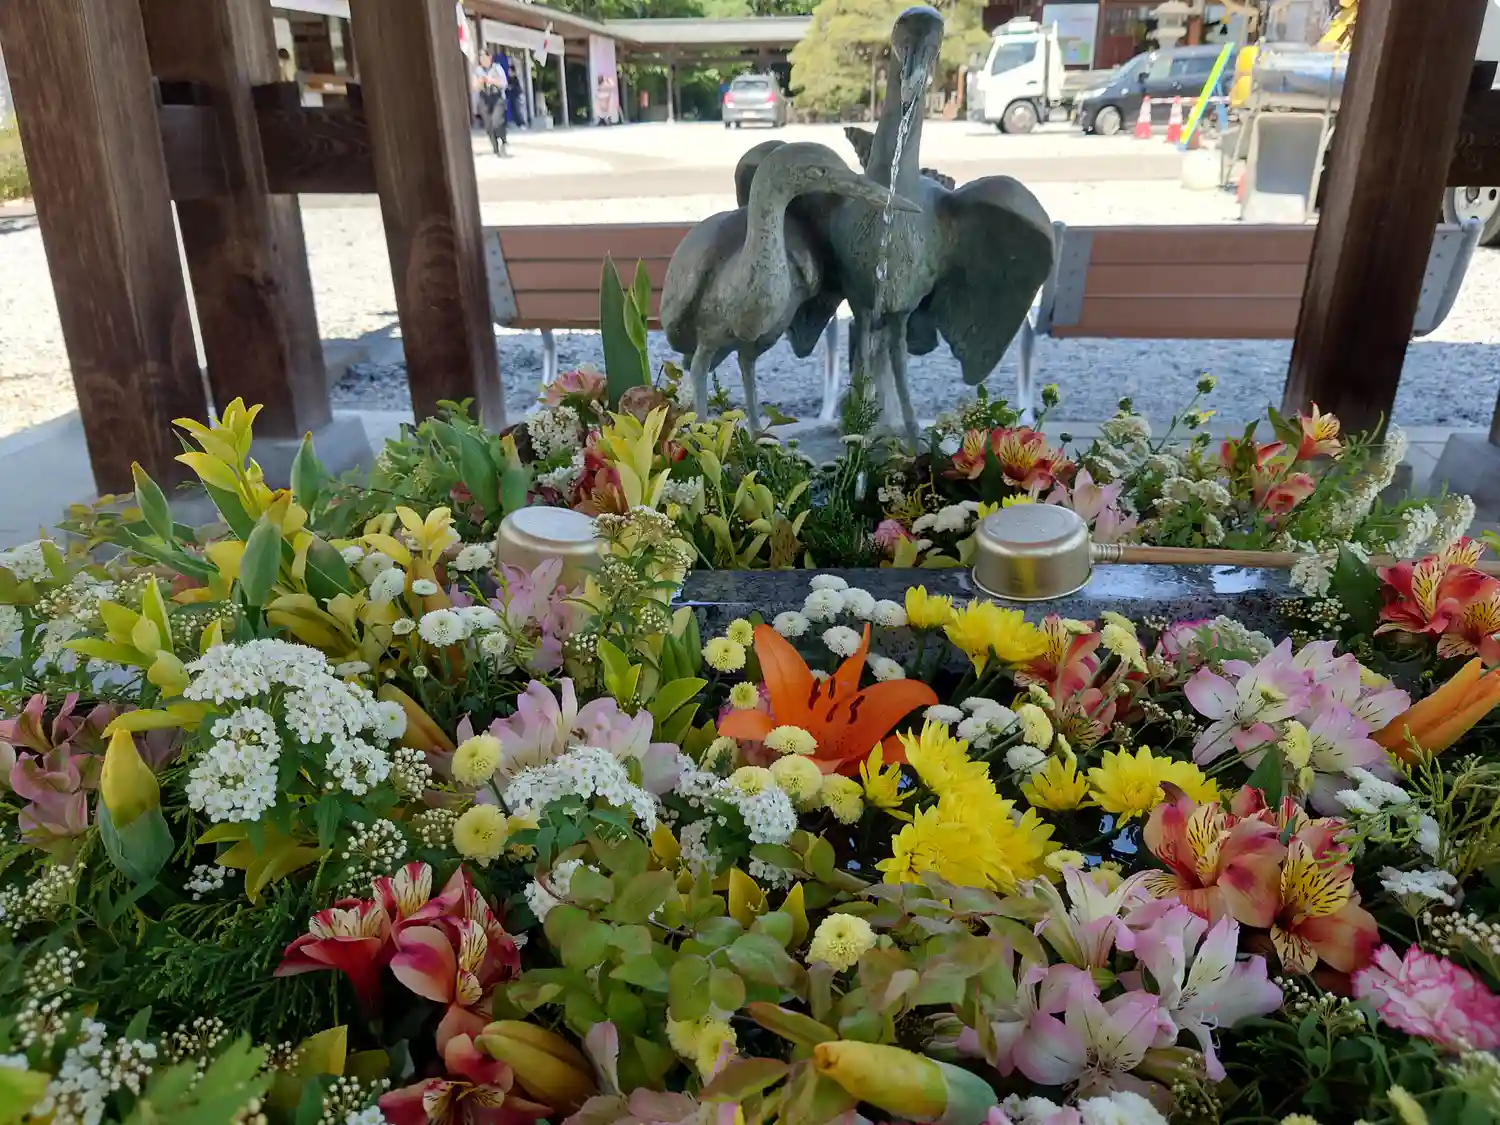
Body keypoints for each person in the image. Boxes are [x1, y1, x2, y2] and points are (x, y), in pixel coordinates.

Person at [473, 50, 509, 156]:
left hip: (497, 98)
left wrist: (492, 80)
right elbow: (474, 87)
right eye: (480, 57)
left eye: (484, 57)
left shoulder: (497, 68)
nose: (482, 60)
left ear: (490, 57)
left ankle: (503, 140)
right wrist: (479, 82)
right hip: (484, 98)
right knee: (488, 125)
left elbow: (504, 83)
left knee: (496, 122)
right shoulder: (478, 70)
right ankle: (495, 147)